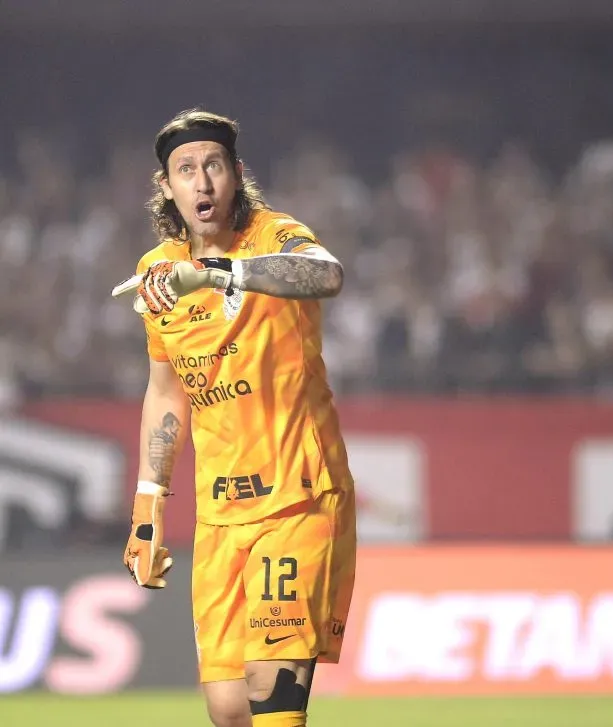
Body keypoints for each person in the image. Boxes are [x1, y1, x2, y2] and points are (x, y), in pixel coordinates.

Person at [116, 108, 357, 727]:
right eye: (186, 170)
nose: (202, 183)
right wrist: (148, 506)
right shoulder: (158, 275)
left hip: (296, 500)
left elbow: (326, 274)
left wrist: (222, 272)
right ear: (166, 187)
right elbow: (166, 392)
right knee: (229, 713)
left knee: (269, 696)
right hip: (219, 517)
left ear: (236, 174)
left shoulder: (274, 236)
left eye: (214, 166)